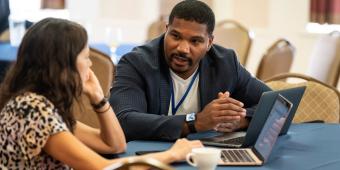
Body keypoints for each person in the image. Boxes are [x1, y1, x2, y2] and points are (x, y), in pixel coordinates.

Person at [0, 17, 202, 169]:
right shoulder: (34, 111)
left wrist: (98, 98)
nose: (90, 64)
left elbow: (115, 145)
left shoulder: (31, 103)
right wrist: (173, 154)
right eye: (86, 57)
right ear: (63, 63)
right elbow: (108, 168)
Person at [110, 0, 271, 141]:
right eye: (176, 36)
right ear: (166, 30)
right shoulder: (136, 63)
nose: (183, 48)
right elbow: (124, 120)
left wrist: (239, 120)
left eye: (195, 41)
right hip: (150, 156)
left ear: (209, 43)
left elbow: (274, 104)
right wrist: (195, 122)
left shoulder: (225, 63)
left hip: (203, 156)